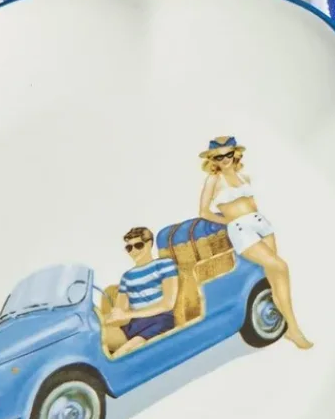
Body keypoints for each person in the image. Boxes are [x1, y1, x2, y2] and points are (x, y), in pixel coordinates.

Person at [197, 136, 311, 348]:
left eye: (228, 154)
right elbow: (203, 211)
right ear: (213, 159)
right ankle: (294, 329)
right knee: (281, 266)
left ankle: (289, 328)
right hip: (241, 229)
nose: (225, 159)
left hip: (262, 224)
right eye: (219, 157)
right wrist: (228, 221)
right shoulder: (213, 180)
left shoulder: (244, 177)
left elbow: (252, 204)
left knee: (274, 277)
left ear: (235, 154)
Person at [104, 226, 181, 357]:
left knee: (119, 356)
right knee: (94, 339)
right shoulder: (127, 276)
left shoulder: (164, 265)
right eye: (129, 248)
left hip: (159, 321)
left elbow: (167, 304)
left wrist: (127, 315)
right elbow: (120, 310)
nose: (133, 251)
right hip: (133, 324)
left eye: (138, 245)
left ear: (149, 244)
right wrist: (107, 319)